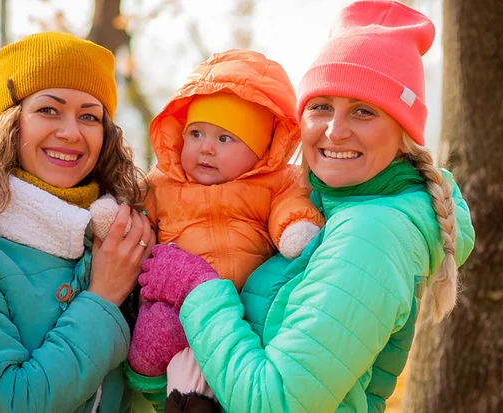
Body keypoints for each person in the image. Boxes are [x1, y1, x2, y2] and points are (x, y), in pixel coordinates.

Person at [137, 1, 476, 412]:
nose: (335, 130)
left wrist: (197, 289)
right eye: (321, 106)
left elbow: (276, 401)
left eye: (363, 111)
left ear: (403, 132)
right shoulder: (318, 204)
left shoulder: (370, 235)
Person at [0, 32, 153, 412]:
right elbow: (12, 402)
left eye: (89, 115)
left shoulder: (116, 238)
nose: (71, 132)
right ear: (11, 124)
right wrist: (102, 298)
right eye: (48, 110)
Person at [123, 49, 325, 411]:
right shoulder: (164, 183)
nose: (205, 149)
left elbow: (290, 205)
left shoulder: (273, 183)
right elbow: (135, 210)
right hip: (174, 308)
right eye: (196, 133)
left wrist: (295, 227)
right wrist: (114, 216)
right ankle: (150, 380)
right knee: (156, 333)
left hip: (241, 316)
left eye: (225, 139)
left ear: (260, 150)